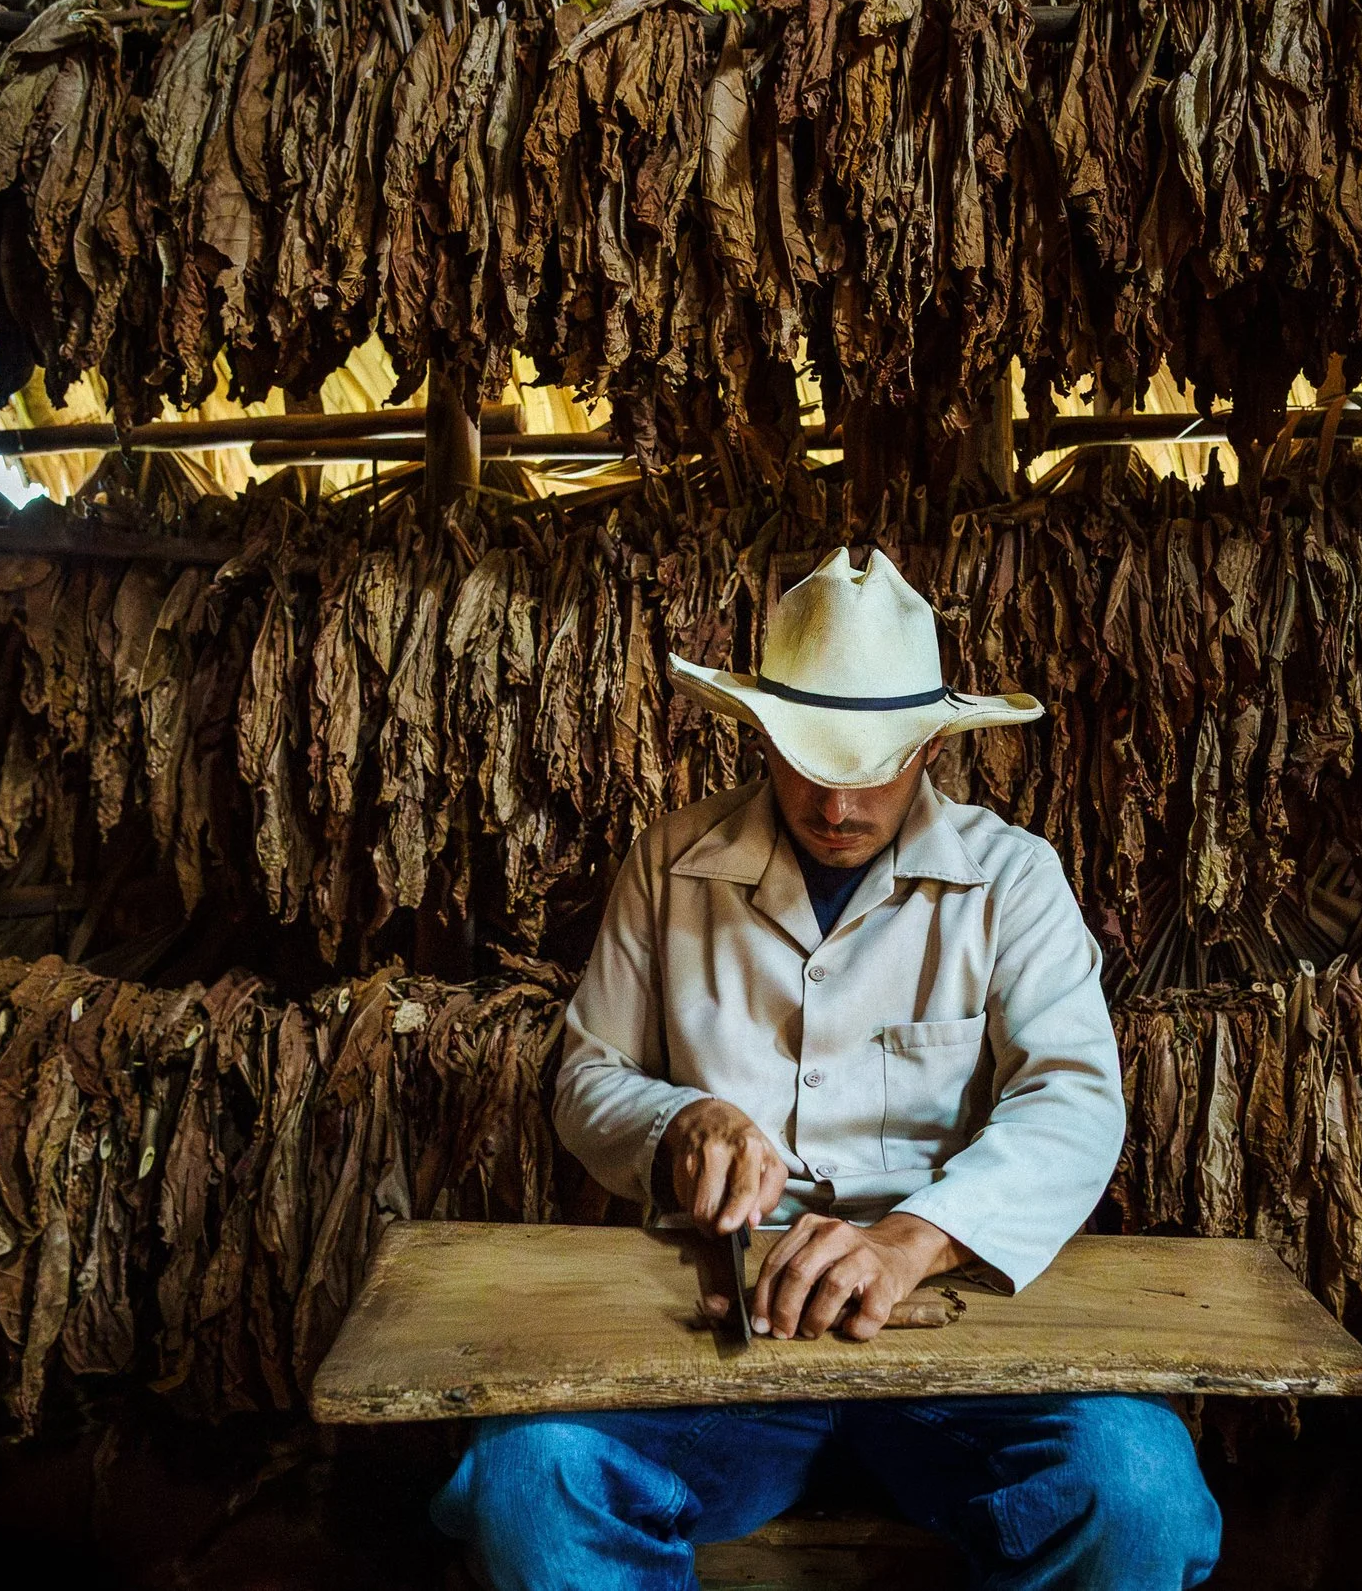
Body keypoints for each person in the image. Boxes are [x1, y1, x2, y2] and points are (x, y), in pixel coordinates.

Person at [430, 547, 1223, 1589]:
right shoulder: (670, 862)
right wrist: (679, 1124)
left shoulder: (1012, 878)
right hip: (717, 1325)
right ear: (759, 730)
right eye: (809, 759)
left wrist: (911, 1239)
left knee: (1139, 1485)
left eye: (872, 767)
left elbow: (1071, 1100)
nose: (837, 803)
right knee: (529, 1477)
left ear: (934, 743)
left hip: (962, 1325)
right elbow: (589, 1076)